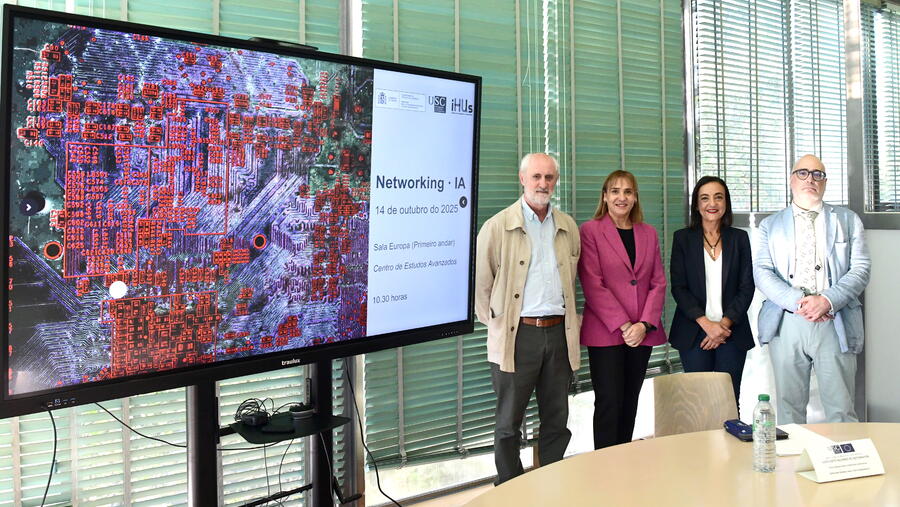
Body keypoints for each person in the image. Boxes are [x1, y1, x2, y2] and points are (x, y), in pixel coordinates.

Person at [474, 153, 581, 484]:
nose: (543, 184)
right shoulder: (497, 226)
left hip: (558, 334)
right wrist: (499, 326)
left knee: (556, 418)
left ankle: (550, 483)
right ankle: (510, 487)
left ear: (556, 181)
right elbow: (480, 288)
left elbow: (572, 279)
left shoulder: (567, 226)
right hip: (517, 337)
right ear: (522, 179)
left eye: (549, 178)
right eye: (536, 177)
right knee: (508, 423)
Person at [753, 154, 870, 424]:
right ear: (791, 179)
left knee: (841, 410)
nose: (811, 179)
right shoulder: (770, 225)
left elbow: (861, 269)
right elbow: (762, 272)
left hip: (835, 320)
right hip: (787, 320)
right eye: (803, 173)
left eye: (818, 174)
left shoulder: (848, 220)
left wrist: (827, 300)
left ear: (825, 182)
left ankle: (843, 464)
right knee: (788, 412)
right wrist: (800, 301)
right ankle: (791, 466)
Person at [579, 170, 666, 449]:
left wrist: (643, 324)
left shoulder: (648, 233)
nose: (621, 197)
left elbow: (658, 282)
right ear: (605, 197)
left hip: (643, 332)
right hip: (606, 332)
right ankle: (604, 469)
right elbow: (593, 283)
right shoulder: (590, 230)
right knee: (609, 402)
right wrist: (625, 325)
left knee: (630, 400)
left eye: (628, 191)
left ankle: (623, 462)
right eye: (615, 191)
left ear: (635, 197)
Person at [669, 176, 755, 409]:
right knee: (699, 404)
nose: (712, 203)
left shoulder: (739, 238)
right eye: (704, 198)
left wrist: (723, 325)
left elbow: (746, 287)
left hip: (731, 333)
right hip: (694, 332)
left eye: (718, 197)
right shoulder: (682, 239)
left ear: (726, 202)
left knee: (728, 401)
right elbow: (679, 287)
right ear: (696, 205)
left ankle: (730, 447)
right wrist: (707, 324)